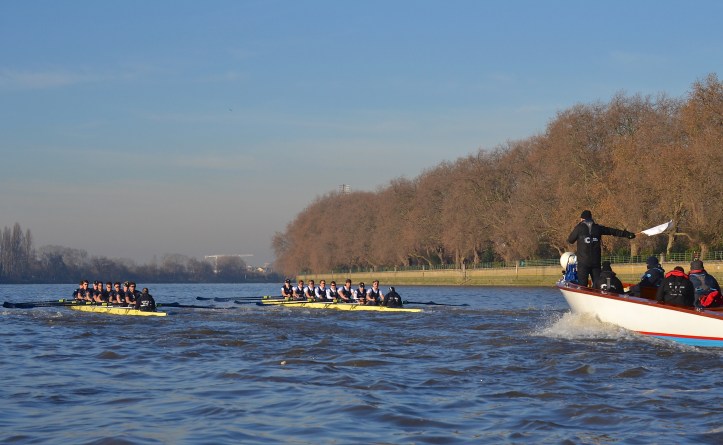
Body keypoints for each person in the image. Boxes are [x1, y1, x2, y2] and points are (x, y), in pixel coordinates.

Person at [567, 210, 635, 287]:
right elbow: (612, 231)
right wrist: (628, 234)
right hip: (596, 262)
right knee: (597, 285)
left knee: (582, 286)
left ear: (582, 219)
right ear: (591, 218)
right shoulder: (598, 228)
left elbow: (570, 240)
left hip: (583, 263)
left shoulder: (579, 228)